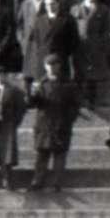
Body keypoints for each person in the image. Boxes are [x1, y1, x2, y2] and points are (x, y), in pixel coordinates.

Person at [28, 55, 78, 194]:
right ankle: (37, 182)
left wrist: (68, 120)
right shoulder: (40, 83)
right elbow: (33, 103)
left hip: (61, 125)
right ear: (45, 67)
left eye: (54, 65)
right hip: (44, 125)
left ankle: (56, 183)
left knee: (59, 155)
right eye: (49, 65)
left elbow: (75, 105)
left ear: (59, 66)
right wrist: (32, 94)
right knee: (42, 155)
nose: (51, 68)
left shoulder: (68, 84)